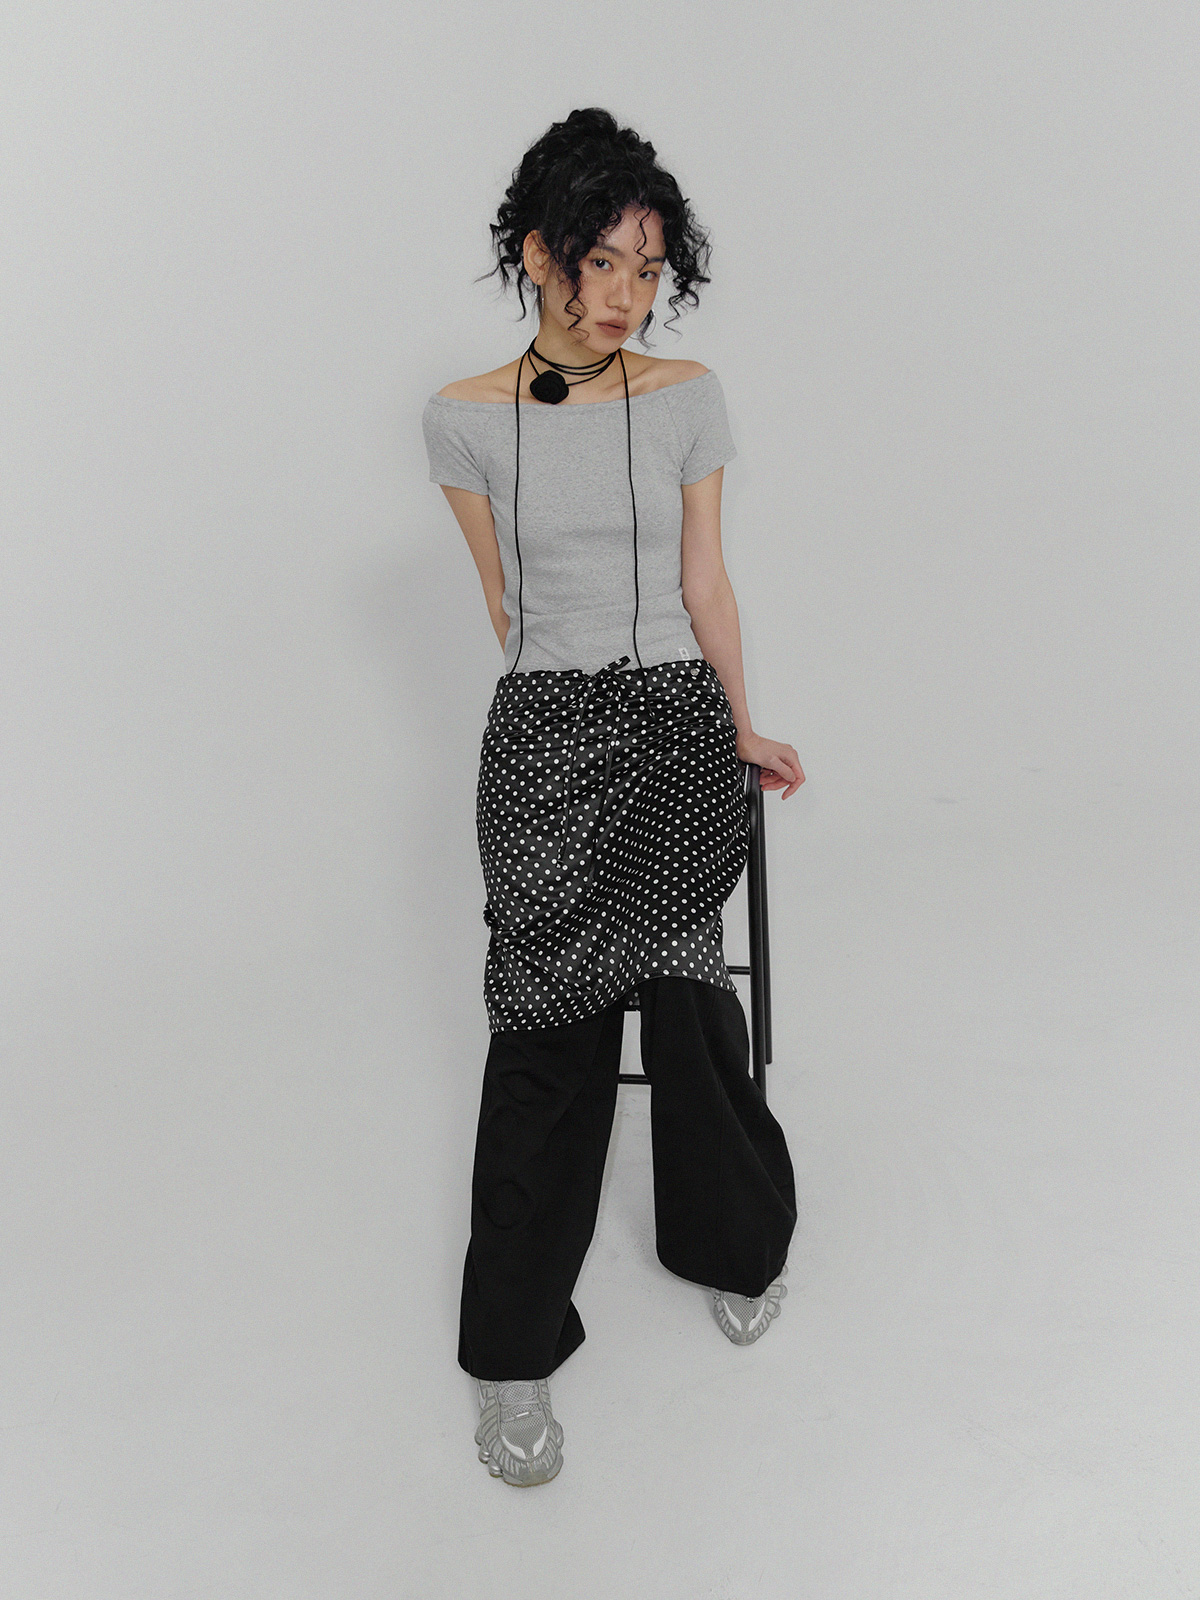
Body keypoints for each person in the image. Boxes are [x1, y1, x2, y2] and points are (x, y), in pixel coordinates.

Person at [421, 107, 805, 1488]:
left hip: (677, 722)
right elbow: (507, 606)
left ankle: (734, 1244)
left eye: (650, 268)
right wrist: (564, 721)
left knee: (691, 1001)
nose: (628, 294)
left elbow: (706, 580)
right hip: (544, 734)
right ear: (539, 254)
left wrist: (742, 722)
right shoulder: (462, 420)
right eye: (604, 261)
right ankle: (512, 1348)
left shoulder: (688, 394)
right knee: (545, 1025)